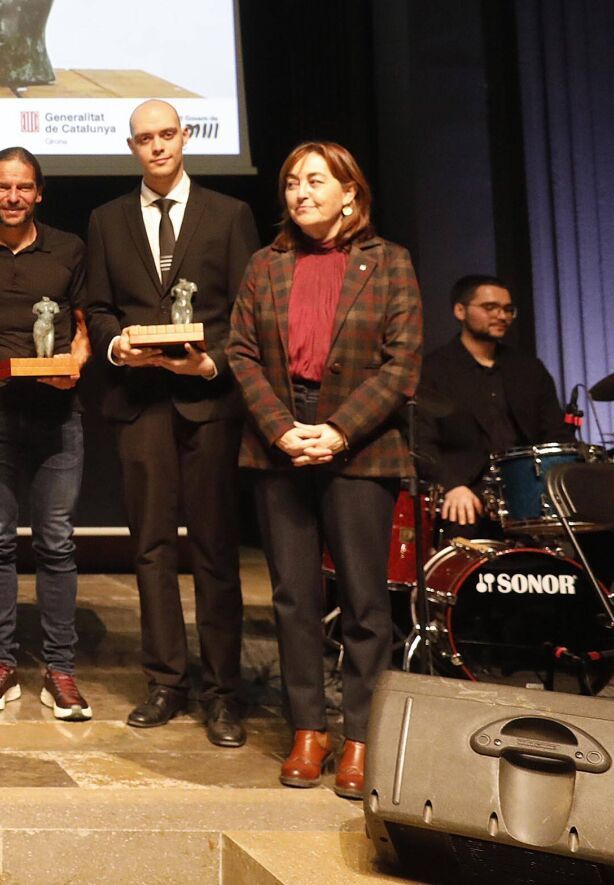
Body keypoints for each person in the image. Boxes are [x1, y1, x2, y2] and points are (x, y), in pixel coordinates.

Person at [228, 141, 422, 800]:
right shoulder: (265, 263)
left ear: (350, 191)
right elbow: (242, 353)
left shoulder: (390, 262)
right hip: (281, 438)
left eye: (314, 180)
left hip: (360, 442)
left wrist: (338, 430)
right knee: (293, 597)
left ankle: (362, 735)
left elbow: (402, 364)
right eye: (289, 183)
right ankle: (308, 728)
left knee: (367, 601)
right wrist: (284, 429)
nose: (299, 192)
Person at [85, 98, 260, 748]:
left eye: (167, 134)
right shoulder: (107, 219)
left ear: (185, 138)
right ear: (132, 147)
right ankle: (166, 681)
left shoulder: (228, 214)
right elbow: (98, 307)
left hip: (207, 402)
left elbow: (247, 311)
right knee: (151, 548)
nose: (157, 146)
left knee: (215, 549)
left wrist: (211, 363)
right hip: (140, 402)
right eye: (144, 138)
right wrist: (115, 345)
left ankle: (223, 693)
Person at [0, 148, 93, 721]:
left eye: (24, 187)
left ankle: (60, 670)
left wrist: (76, 363)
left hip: (57, 414)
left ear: (39, 193)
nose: (13, 196)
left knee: (56, 541)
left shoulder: (69, 249)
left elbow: (86, 323)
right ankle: (1, 664)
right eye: (2, 187)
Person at [421, 275, 575, 539]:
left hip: (526, 487)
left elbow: (555, 435)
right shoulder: (433, 369)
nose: (502, 315)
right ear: (460, 311)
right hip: (466, 489)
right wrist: (452, 486)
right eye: (490, 307)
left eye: (507, 309)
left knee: (599, 528)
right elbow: (421, 442)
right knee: (460, 529)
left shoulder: (528, 369)